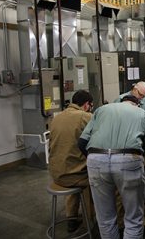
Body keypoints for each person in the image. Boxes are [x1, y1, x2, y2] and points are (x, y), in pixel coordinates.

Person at [78, 95, 145, 239]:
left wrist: (99, 161)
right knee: (133, 218)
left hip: (96, 159)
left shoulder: (101, 110)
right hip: (128, 161)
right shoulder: (142, 114)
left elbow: (82, 142)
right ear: (137, 104)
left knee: (105, 218)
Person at [49, 90, 94, 232]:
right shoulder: (86, 117)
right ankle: (93, 219)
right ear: (87, 105)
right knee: (101, 176)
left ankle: (71, 218)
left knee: (72, 165)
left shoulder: (57, 117)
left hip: (56, 173)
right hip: (75, 176)